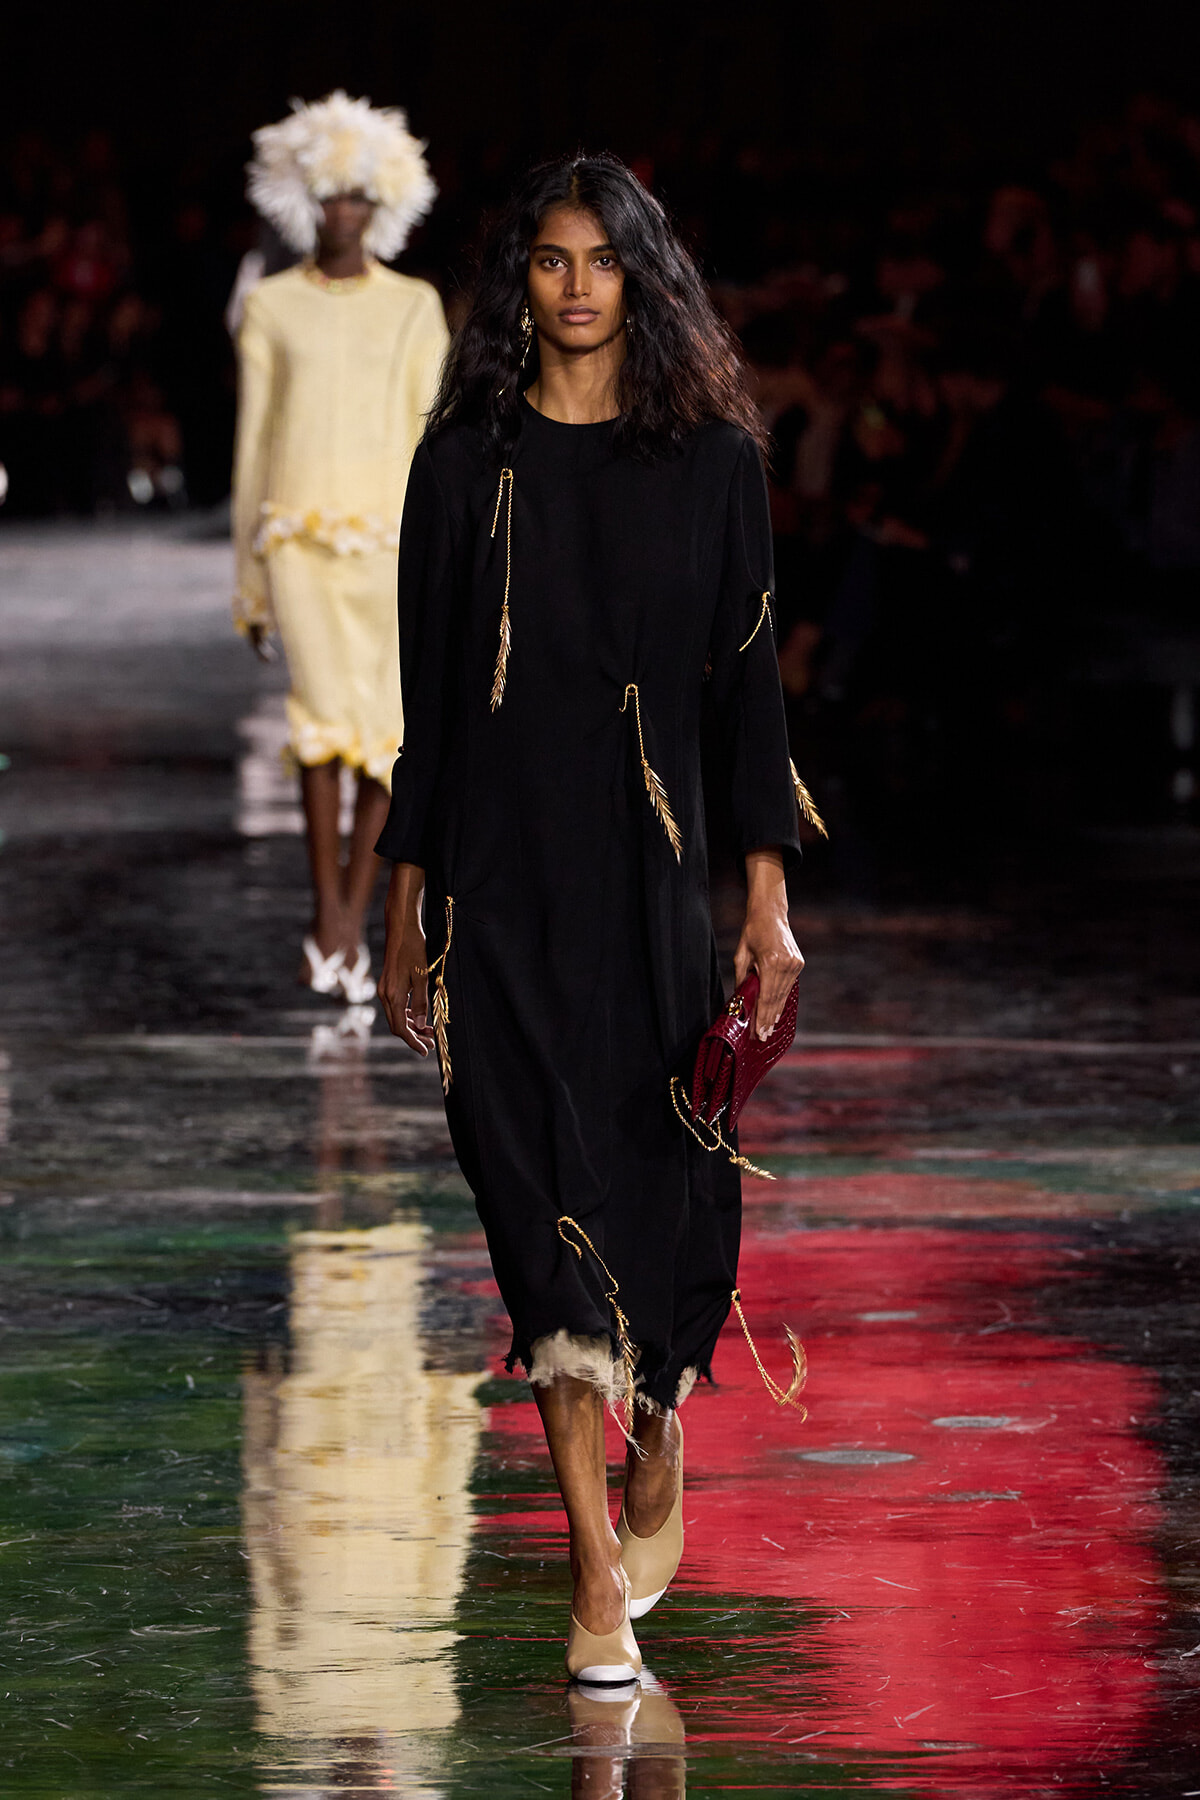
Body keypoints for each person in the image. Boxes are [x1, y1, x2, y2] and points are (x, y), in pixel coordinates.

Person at [376, 153, 808, 1684]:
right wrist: (402, 895)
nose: (572, 288)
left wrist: (765, 898)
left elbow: (749, 691)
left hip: (646, 891)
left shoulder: (707, 463)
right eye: (549, 262)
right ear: (521, 283)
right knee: (535, 1225)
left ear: (641, 277)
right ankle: (586, 1573)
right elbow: (427, 702)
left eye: (600, 262)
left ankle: (664, 1421)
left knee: (662, 1192)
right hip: (498, 891)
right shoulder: (463, 466)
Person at [233, 92, 449, 1002]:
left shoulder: (415, 306)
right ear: (302, 200)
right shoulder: (273, 306)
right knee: (320, 733)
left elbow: (430, 435)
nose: (344, 212)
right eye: (328, 194)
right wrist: (249, 578)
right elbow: (254, 438)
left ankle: (361, 924)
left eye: (359, 195)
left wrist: (443, 563)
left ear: (385, 202)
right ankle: (327, 917)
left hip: (391, 543)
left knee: (386, 741)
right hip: (301, 540)